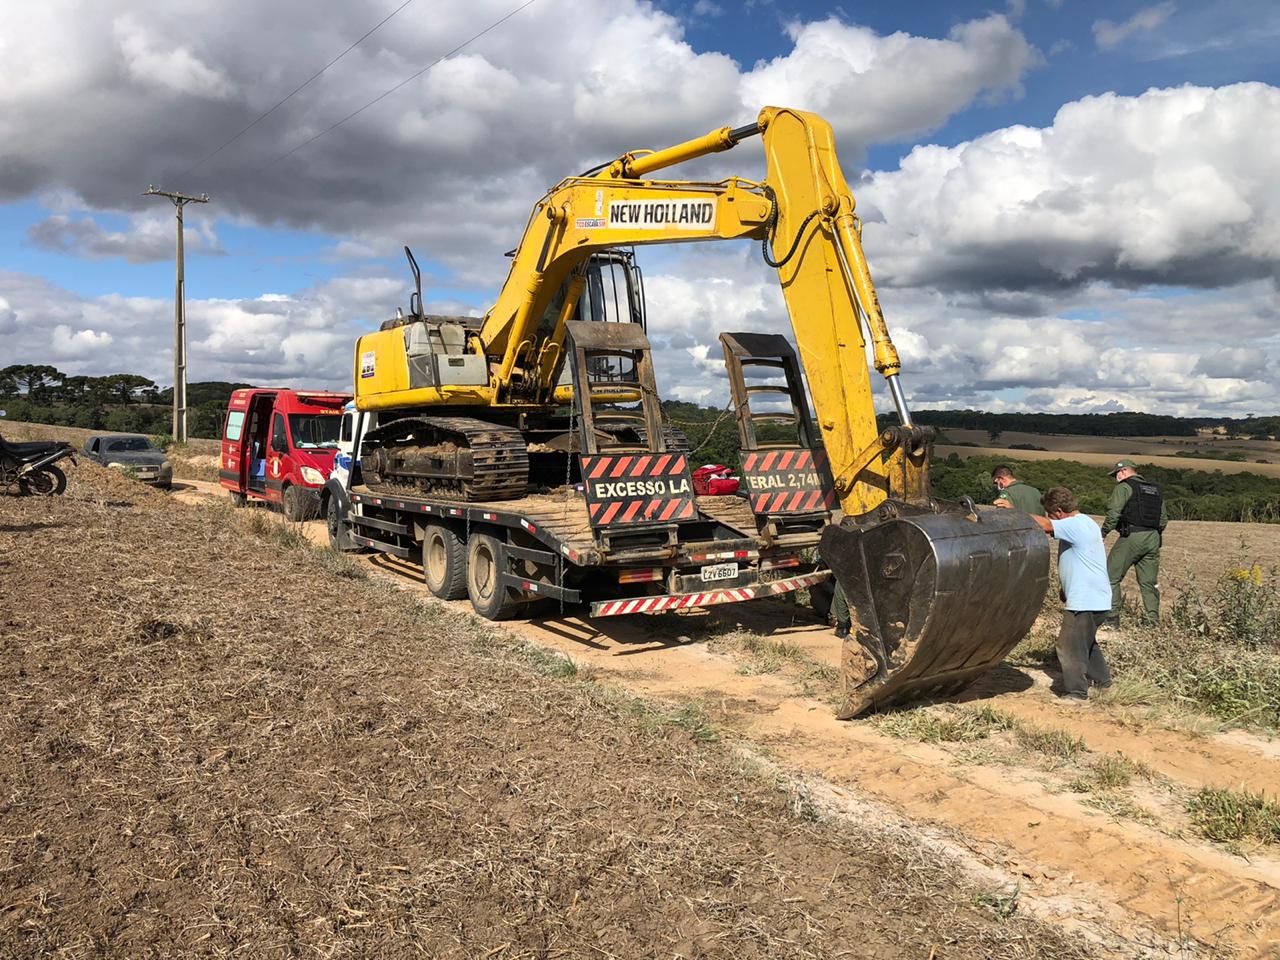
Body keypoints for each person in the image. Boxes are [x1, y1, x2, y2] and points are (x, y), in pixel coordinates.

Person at [1008, 486, 1112, 702]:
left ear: (1058, 512)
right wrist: (1066, 588)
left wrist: (1013, 511)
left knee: (1068, 646)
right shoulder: (1087, 523)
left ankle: (1076, 693)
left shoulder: (1074, 524)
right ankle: (1103, 683)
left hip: (1085, 600)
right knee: (1086, 643)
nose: (1050, 518)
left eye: (1050, 514)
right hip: (1097, 598)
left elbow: (1044, 526)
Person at [1099, 459, 1167, 628]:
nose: (1116, 478)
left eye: (1116, 474)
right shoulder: (1155, 490)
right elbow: (1163, 519)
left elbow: (1114, 513)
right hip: (1153, 538)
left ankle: (1112, 617)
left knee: (1110, 576)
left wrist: (1104, 532)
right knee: (1148, 582)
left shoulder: (1124, 487)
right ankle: (1152, 619)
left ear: (1123, 472)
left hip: (1132, 536)